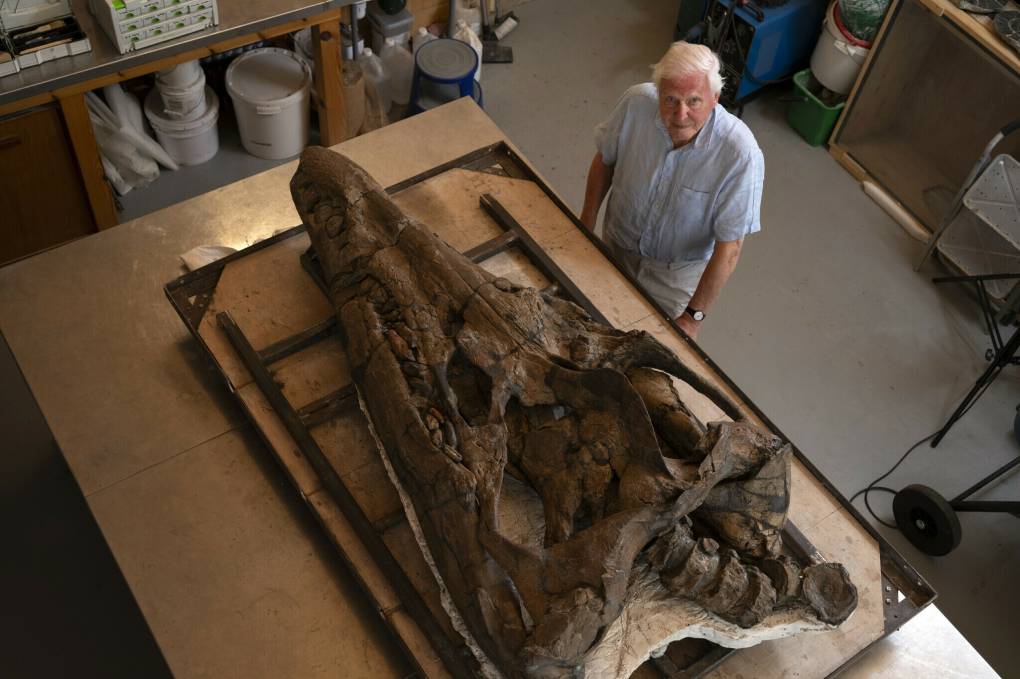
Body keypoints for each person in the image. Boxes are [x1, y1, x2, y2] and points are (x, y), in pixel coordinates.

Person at [580, 41, 764, 340]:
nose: (680, 114)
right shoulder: (636, 104)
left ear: (715, 98)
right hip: (616, 245)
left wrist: (693, 318)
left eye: (693, 101)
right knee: (591, 327)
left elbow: (729, 248)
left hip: (674, 277)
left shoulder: (740, 155)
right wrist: (584, 225)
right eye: (670, 100)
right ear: (657, 92)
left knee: (651, 351)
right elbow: (605, 160)